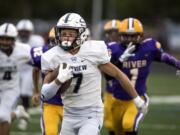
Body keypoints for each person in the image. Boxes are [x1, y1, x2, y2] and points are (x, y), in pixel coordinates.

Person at [40, 13, 147, 135]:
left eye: (71, 34)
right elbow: (45, 95)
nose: (66, 38)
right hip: (69, 114)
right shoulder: (53, 56)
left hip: (92, 113)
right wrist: (58, 80)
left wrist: (137, 99)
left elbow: (118, 74)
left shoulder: (93, 50)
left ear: (81, 33)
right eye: (64, 34)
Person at [108, 17, 180, 135]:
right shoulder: (114, 50)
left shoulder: (148, 48)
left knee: (128, 125)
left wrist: (178, 65)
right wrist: (120, 61)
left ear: (140, 36)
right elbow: (108, 75)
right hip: (117, 100)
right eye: (126, 36)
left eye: (133, 36)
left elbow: (165, 57)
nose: (129, 39)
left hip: (138, 98)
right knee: (116, 130)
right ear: (120, 35)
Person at [31, 27, 63, 135]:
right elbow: (35, 70)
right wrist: (36, 91)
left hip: (71, 103)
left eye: (58, 41)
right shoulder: (43, 53)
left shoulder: (75, 54)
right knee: (50, 132)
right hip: (50, 102)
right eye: (52, 40)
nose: (55, 44)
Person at [0, 23, 31, 135]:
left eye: (8, 39)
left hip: (11, 89)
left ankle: (17, 113)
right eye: (2, 38)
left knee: (3, 116)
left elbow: (38, 61)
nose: (4, 42)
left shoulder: (23, 49)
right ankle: (18, 113)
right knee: (3, 117)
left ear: (14, 39)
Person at [16, 19, 45, 130]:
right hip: (17, 69)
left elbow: (39, 58)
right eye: (21, 31)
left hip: (29, 69)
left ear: (31, 31)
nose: (23, 33)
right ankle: (18, 113)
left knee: (24, 93)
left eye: (26, 31)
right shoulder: (13, 40)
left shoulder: (37, 41)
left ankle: (24, 117)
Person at [103, 19, 121, 135]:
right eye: (110, 32)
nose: (112, 35)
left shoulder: (127, 48)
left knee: (124, 124)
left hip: (123, 91)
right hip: (109, 91)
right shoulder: (105, 47)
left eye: (115, 31)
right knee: (109, 123)